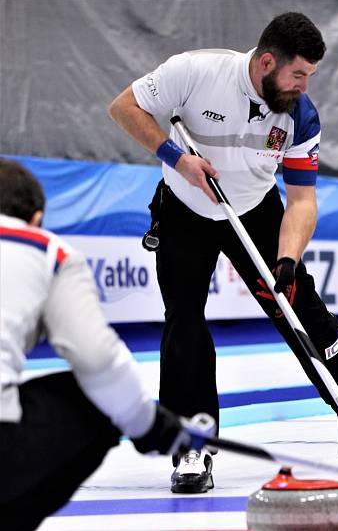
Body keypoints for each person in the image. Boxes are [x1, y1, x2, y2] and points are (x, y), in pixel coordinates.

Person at [108, 12, 338, 491]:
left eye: (309, 76)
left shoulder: (300, 115)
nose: (303, 85)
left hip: (255, 210)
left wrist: (288, 259)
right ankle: (192, 447)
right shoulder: (195, 71)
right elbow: (124, 107)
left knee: (300, 307)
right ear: (267, 62)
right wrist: (178, 159)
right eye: (297, 74)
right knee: (184, 321)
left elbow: (301, 201)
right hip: (186, 206)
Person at [0, 158, 197, 530]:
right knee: (101, 400)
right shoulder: (45, 251)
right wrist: (146, 423)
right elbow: (97, 359)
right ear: (36, 218)